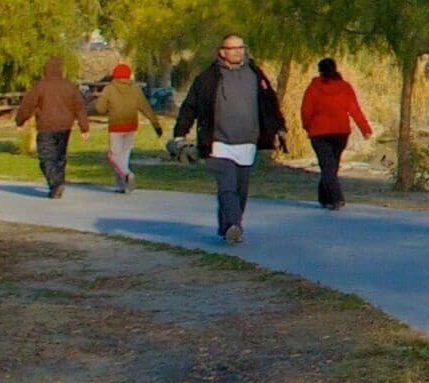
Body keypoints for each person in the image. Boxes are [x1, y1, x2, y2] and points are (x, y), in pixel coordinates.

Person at [170, 35, 284, 245]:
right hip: (218, 143)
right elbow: (190, 106)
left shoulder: (255, 74)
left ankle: (227, 227)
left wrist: (279, 127)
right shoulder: (208, 78)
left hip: (247, 142)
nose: (238, 51)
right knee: (227, 187)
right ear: (222, 52)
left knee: (240, 190)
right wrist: (180, 133)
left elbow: (269, 103)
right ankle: (234, 225)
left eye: (241, 47)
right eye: (233, 48)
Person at [299, 56, 374, 210]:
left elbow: (306, 110)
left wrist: (307, 127)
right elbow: (354, 109)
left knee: (327, 166)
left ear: (320, 71)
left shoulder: (314, 87)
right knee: (331, 166)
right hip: (340, 132)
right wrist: (365, 129)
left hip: (319, 132)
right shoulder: (345, 87)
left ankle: (336, 198)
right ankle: (325, 198)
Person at [13, 54, 87, 197]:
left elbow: (27, 105)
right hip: (65, 126)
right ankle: (58, 183)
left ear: (46, 70)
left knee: (46, 157)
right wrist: (84, 128)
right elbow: (79, 107)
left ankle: (55, 184)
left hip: (46, 126)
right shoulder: (69, 86)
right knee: (59, 157)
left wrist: (20, 121)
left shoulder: (40, 86)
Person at [96, 61, 150, 192]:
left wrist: (107, 108)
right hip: (131, 125)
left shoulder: (109, 88)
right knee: (124, 155)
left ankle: (126, 173)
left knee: (114, 156)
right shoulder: (135, 88)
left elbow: (99, 108)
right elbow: (145, 106)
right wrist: (155, 122)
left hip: (116, 126)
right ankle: (122, 186)